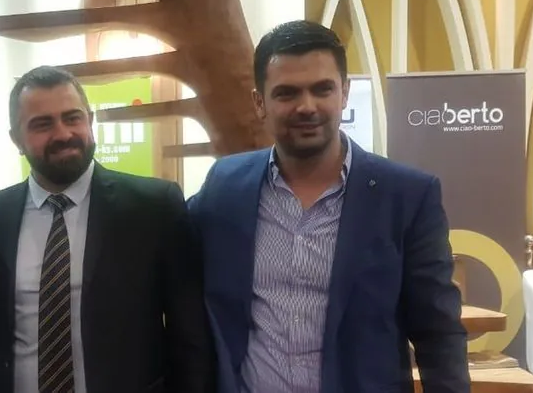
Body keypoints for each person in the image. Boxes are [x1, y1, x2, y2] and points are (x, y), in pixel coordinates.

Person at [188, 21, 470, 392]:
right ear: (260, 103)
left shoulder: (406, 196)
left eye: (322, 89)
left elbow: (438, 331)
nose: (307, 106)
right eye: (287, 93)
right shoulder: (225, 187)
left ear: (344, 92)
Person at [0, 65, 215, 393]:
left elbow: (189, 336)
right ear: (16, 139)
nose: (63, 134)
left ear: (90, 121)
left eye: (72, 118)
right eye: (42, 124)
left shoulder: (154, 208)